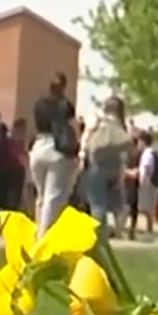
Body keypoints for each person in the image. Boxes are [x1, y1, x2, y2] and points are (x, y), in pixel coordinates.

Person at [29, 72, 81, 237]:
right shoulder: (65, 105)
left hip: (38, 147)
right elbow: (72, 122)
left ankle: (38, 232)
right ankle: (44, 236)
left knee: (41, 195)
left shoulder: (38, 104)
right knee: (53, 196)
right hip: (57, 149)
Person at [81, 97, 133, 228]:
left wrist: (82, 156)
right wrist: (122, 174)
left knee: (97, 203)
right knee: (115, 201)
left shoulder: (96, 119)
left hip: (97, 164)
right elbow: (125, 152)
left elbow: (85, 140)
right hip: (115, 167)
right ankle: (120, 212)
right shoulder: (121, 125)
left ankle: (99, 232)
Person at [135, 131, 158, 238]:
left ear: (143, 142)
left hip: (147, 184)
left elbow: (145, 169)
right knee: (147, 208)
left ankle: (149, 230)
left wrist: (141, 182)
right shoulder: (152, 153)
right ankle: (148, 229)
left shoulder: (147, 154)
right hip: (150, 183)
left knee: (146, 208)